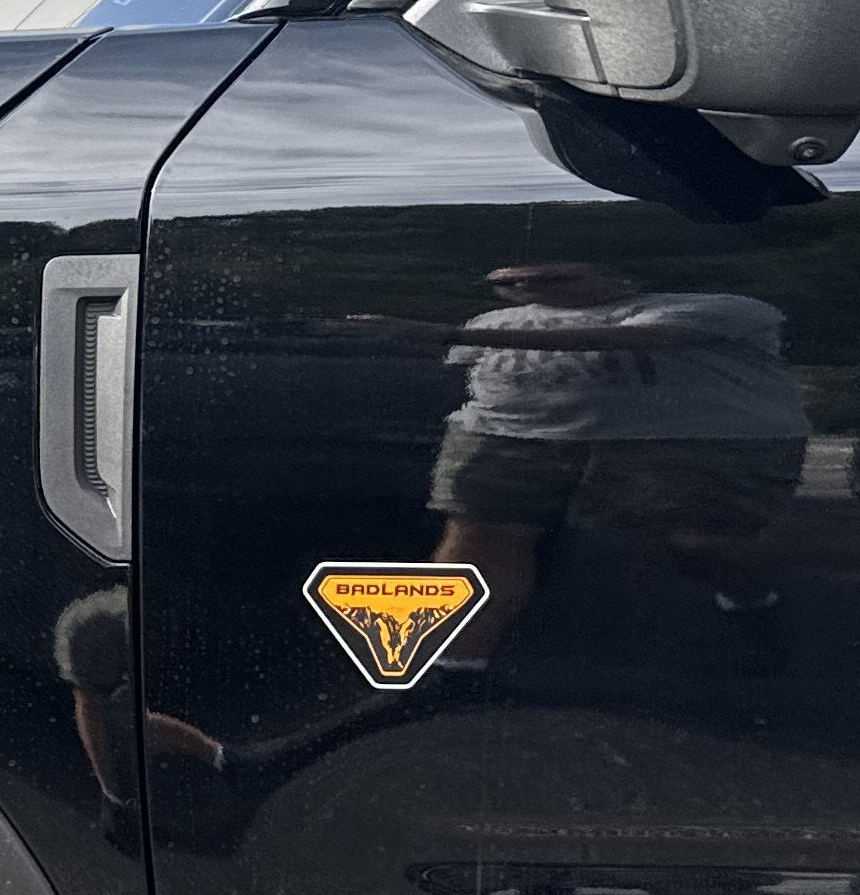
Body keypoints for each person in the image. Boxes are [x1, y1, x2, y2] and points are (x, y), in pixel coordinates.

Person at [347, 260, 811, 668]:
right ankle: (452, 669)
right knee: (480, 545)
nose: (530, 286)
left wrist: (444, 332)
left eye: (556, 276)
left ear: (614, 275)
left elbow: (637, 340)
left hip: (685, 442)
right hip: (508, 437)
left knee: (697, 543)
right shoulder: (498, 319)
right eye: (511, 282)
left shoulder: (712, 308)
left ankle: (755, 615)